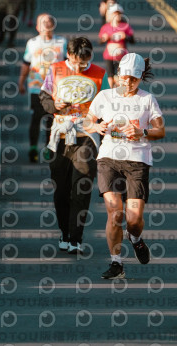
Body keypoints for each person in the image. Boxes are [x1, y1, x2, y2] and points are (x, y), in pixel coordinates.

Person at [85, 53, 165, 280]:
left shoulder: (147, 100)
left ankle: (135, 238)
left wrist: (143, 132)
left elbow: (160, 130)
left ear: (140, 78)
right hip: (108, 158)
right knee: (114, 213)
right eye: (125, 77)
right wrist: (96, 127)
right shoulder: (105, 96)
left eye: (134, 79)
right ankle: (116, 262)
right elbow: (87, 120)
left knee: (134, 219)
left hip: (137, 160)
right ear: (119, 74)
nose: (128, 83)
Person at [39, 37, 108, 254]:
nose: (80, 67)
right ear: (68, 55)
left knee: (81, 187)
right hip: (60, 136)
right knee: (61, 190)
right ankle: (65, 232)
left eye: (84, 62)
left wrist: (103, 124)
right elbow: (44, 96)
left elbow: (109, 103)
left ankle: (76, 238)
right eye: (77, 62)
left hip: (87, 136)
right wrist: (54, 105)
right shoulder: (56, 69)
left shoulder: (100, 74)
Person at [18, 13, 68, 163]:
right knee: (36, 117)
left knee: (51, 119)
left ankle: (49, 148)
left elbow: (68, 64)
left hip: (56, 88)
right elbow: (26, 63)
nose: (46, 24)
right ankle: (33, 148)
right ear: (37, 27)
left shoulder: (62, 42)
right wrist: (21, 81)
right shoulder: (32, 43)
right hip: (36, 87)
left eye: (49, 21)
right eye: (43, 22)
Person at [99, 3, 134, 88]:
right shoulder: (106, 27)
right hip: (109, 56)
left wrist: (126, 37)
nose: (117, 16)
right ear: (110, 15)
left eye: (118, 14)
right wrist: (104, 38)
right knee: (110, 76)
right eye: (114, 13)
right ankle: (110, 91)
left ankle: (121, 92)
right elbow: (100, 41)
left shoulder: (125, 26)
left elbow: (132, 40)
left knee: (121, 76)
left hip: (122, 56)